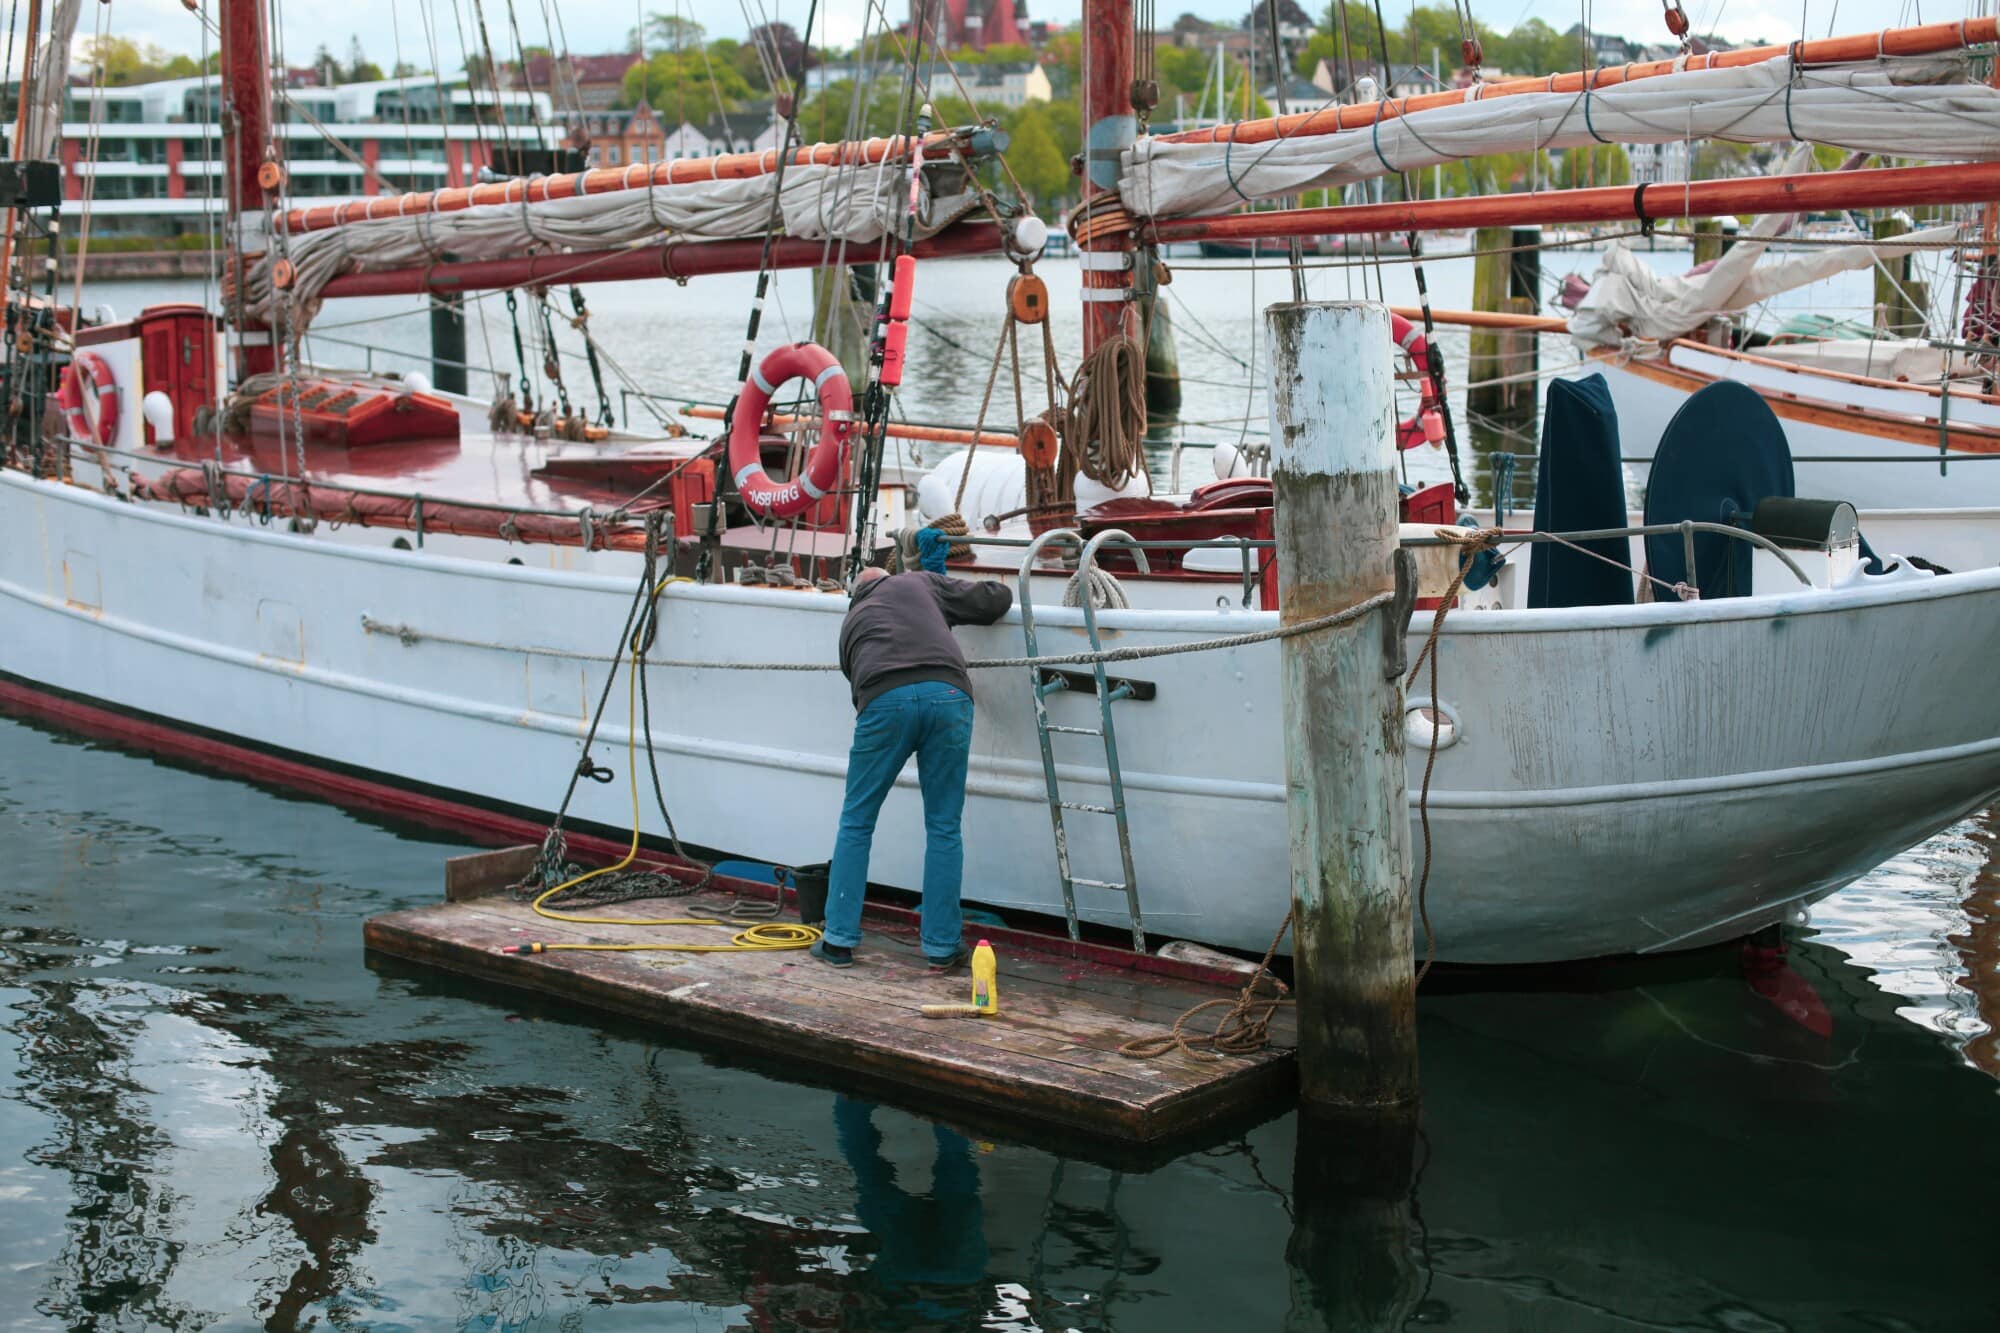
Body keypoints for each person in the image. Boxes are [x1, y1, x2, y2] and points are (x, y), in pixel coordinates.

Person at [811, 565, 1012, 970]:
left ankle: (838, 941)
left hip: (883, 700)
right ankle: (940, 947)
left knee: (857, 821)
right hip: (948, 694)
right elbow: (994, 601)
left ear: (857, 594)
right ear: (887, 577)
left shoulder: (851, 621)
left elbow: (858, 681)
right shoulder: (919, 580)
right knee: (942, 825)